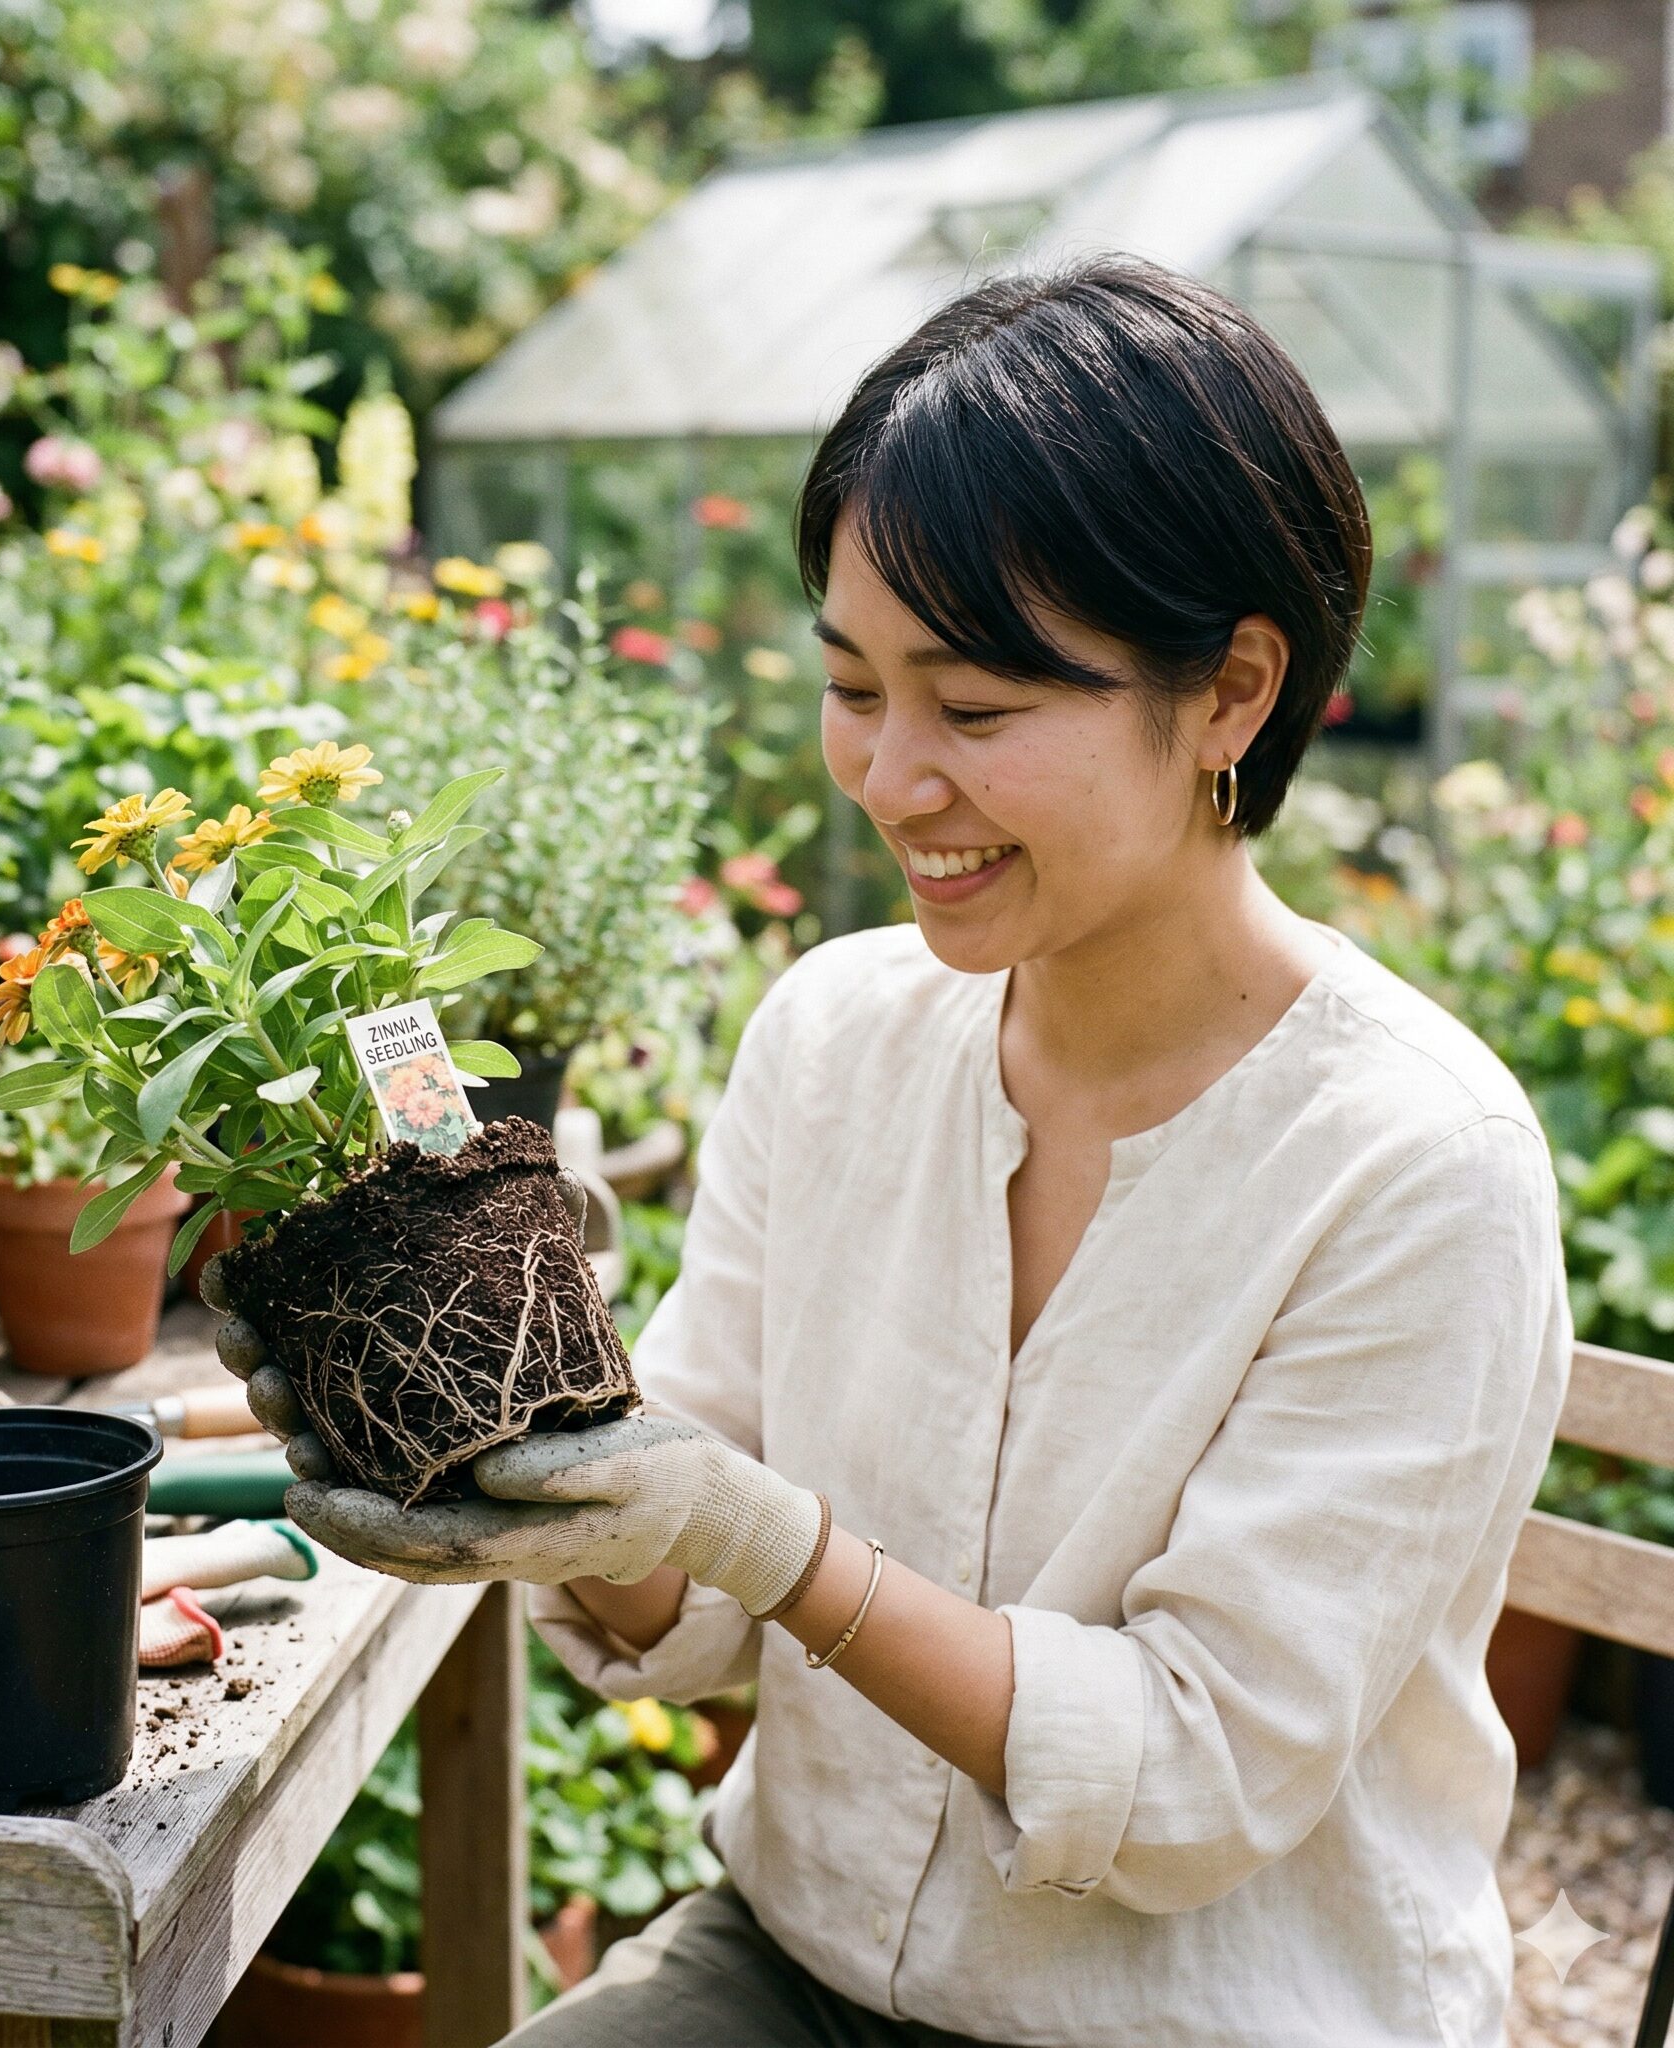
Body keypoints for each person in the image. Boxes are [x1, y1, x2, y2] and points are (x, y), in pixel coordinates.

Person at [214, 256, 1571, 2048]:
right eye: (854, 685)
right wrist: (531, 1485)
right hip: (799, 1969)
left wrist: (773, 1541)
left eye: (979, 712)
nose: (888, 776)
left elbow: (1185, 1778)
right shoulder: (837, 1035)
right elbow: (684, 1594)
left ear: (1235, 693)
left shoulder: (1416, 1162)